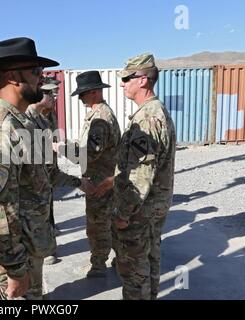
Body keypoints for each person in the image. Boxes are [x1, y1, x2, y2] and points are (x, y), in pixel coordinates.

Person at [0, 37, 93, 300]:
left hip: (32, 249)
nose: (42, 78)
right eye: (36, 72)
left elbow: (45, 174)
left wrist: (78, 183)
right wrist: (14, 271)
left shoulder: (25, 125)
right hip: (15, 261)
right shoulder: (1, 132)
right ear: (14, 77)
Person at [112, 53, 176, 300]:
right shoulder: (155, 111)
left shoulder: (148, 119)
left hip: (139, 213)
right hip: (151, 210)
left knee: (135, 275)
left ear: (143, 80)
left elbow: (140, 176)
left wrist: (122, 214)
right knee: (149, 264)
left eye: (127, 78)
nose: (122, 83)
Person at [26, 77, 87, 266]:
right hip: (36, 177)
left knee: (48, 209)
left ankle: (47, 246)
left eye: (56, 92)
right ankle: (44, 251)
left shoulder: (48, 115)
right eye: (50, 93)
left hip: (49, 170)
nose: (54, 96)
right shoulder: (27, 119)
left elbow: (55, 145)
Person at [66, 71, 121, 277]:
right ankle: (119, 257)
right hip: (104, 179)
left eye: (83, 93)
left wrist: (61, 149)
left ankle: (98, 265)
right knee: (110, 222)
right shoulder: (98, 115)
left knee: (98, 226)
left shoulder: (100, 119)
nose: (80, 97)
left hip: (100, 182)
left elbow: (88, 155)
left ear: (95, 92)